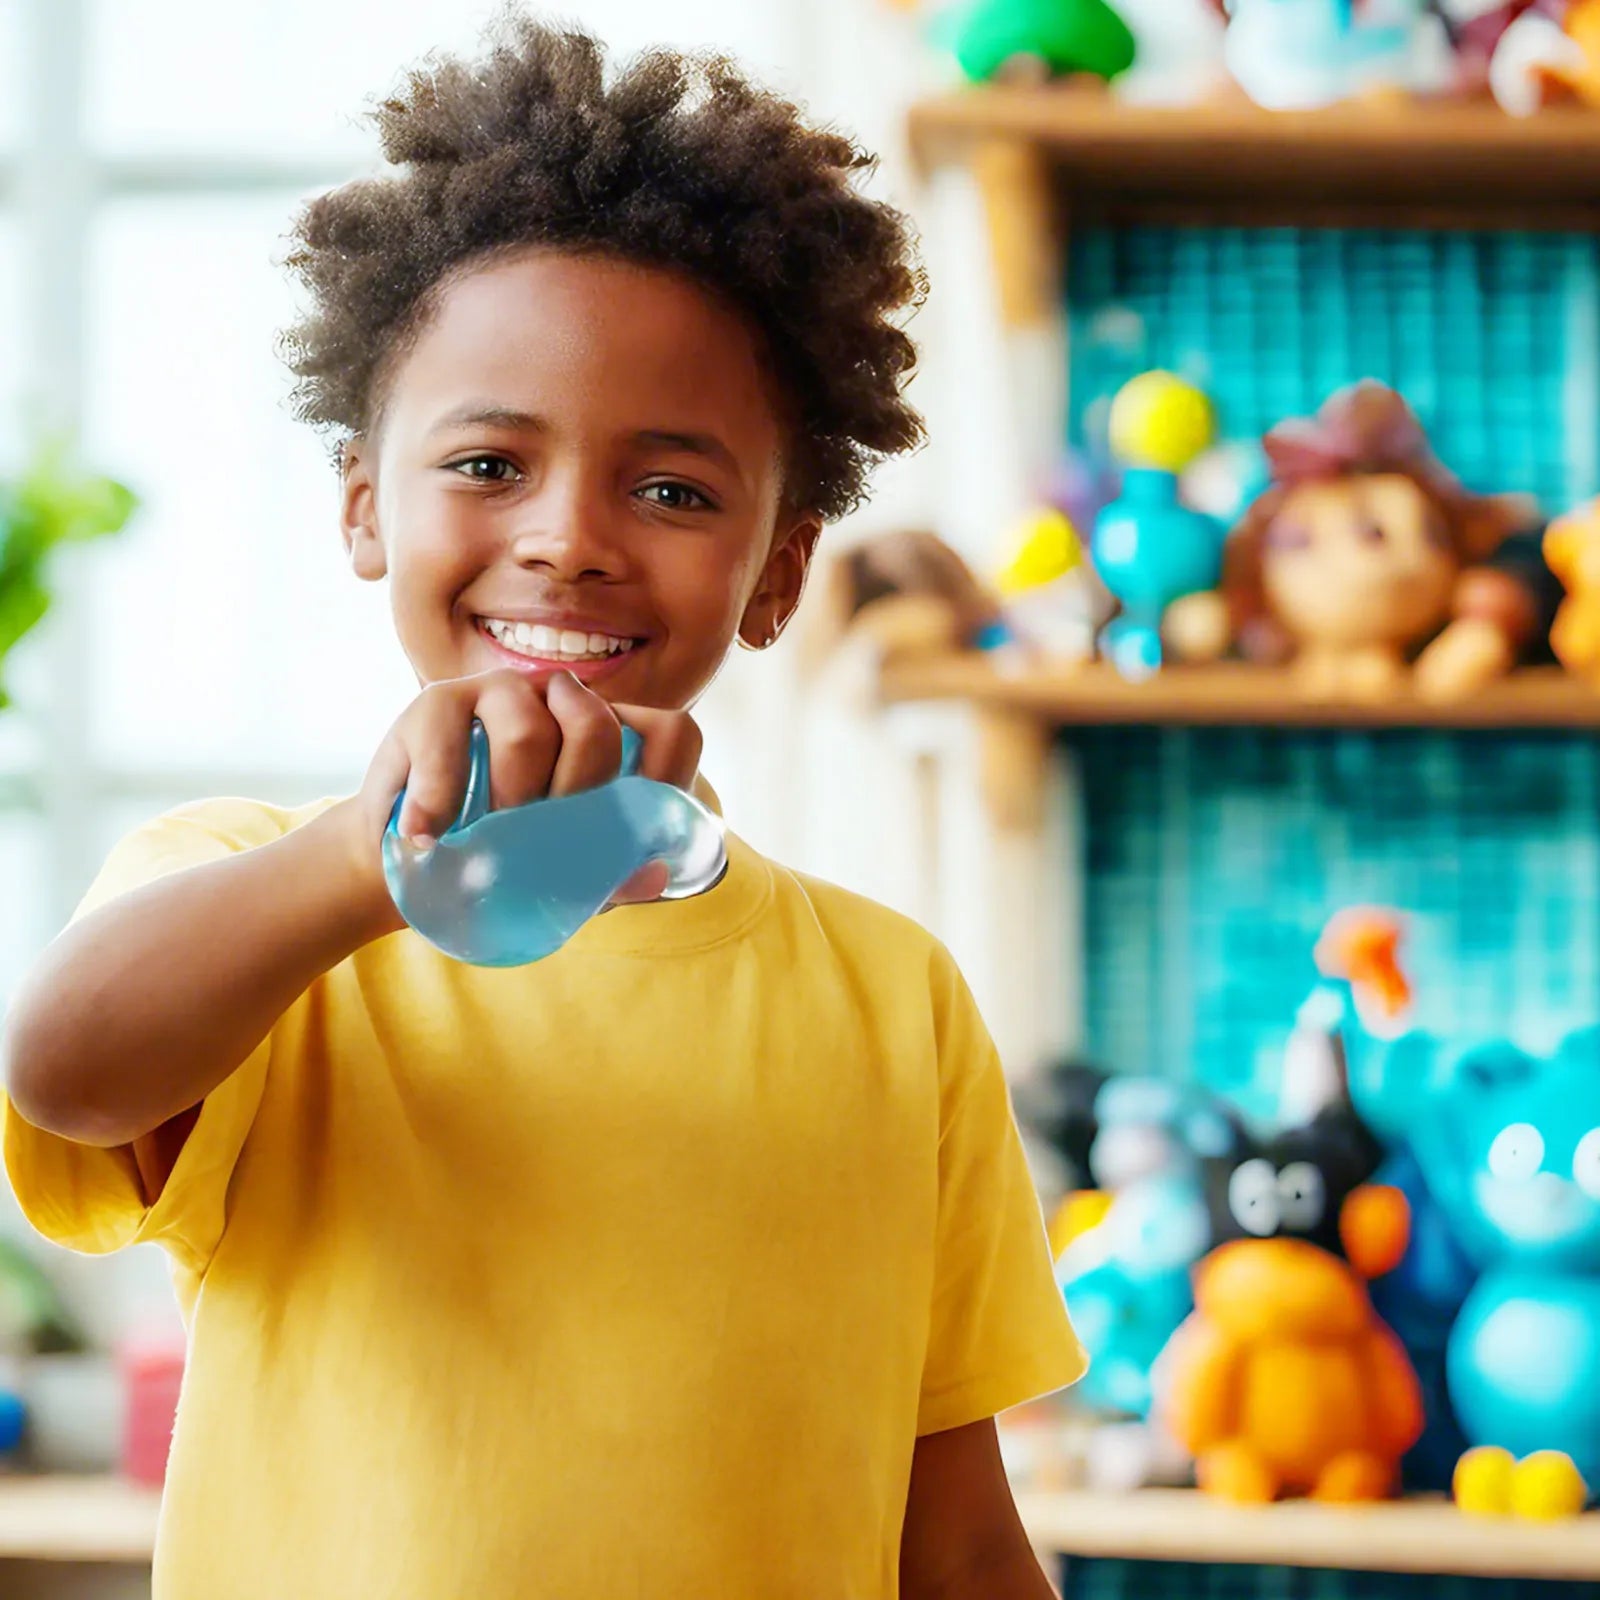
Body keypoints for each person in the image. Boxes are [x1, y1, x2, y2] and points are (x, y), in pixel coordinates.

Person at [1, 16, 1083, 1598]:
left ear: (778, 572)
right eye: (490, 462)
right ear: (367, 508)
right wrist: (371, 865)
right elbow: (66, 1075)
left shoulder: (893, 1000)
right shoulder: (265, 901)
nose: (569, 539)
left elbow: (965, 1543)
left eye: (673, 490)